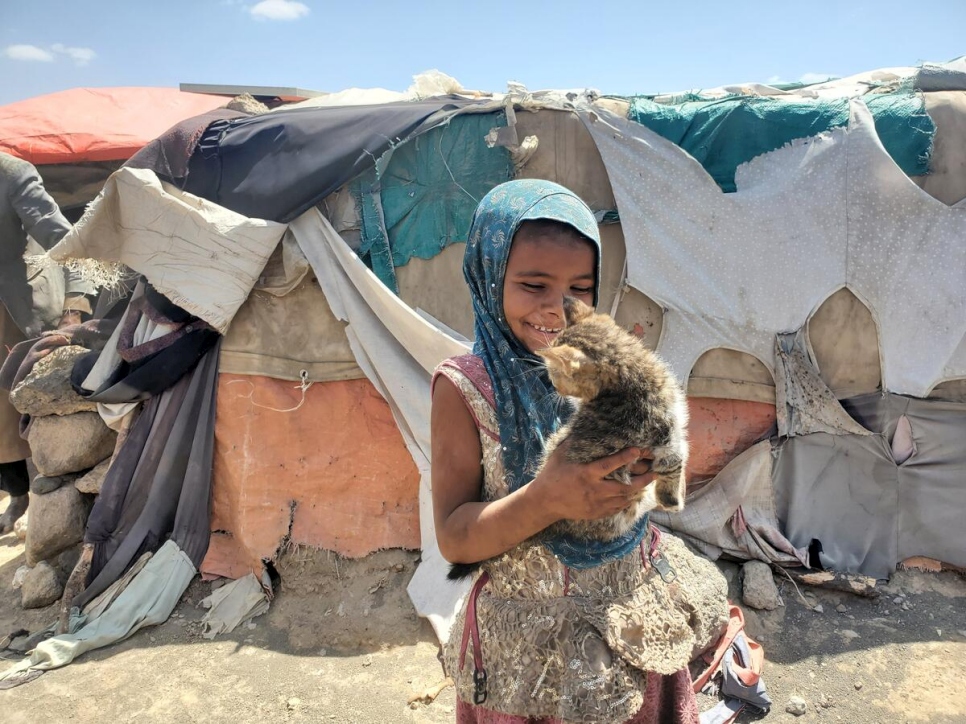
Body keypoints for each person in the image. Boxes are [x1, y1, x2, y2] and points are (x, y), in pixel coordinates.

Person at [431, 180, 729, 723]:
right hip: (529, 652)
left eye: (579, 288)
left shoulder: (605, 367)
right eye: (533, 284)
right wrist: (546, 500)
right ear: (489, 276)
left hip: (629, 617)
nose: (557, 308)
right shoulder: (464, 390)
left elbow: (655, 458)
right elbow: (454, 538)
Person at [0, 151, 96, 534]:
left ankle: (56, 505)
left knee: (31, 403)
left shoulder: (11, 172)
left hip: (18, 308)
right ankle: (17, 494)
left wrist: (76, 304)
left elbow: (62, 237)